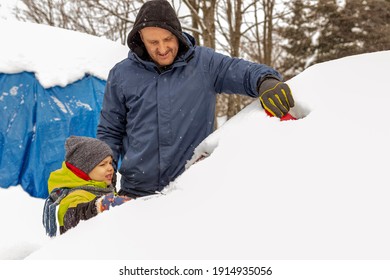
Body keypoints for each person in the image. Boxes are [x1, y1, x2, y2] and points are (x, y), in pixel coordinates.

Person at [97, 0, 295, 198]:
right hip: (135, 193)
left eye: (168, 39)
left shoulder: (204, 64)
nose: (163, 48)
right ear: (140, 38)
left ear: (177, 34)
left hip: (192, 191)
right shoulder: (122, 75)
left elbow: (240, 71)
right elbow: (110, 132)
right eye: (153, 42)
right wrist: (104, 179)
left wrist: (265, 80)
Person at [42, 136, 130, 237]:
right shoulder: (74, 195)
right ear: (84, 170)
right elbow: (73, 217)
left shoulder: (103, 188)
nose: (110, 168)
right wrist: (97, 206)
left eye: (110, 163)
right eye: (102, 164)